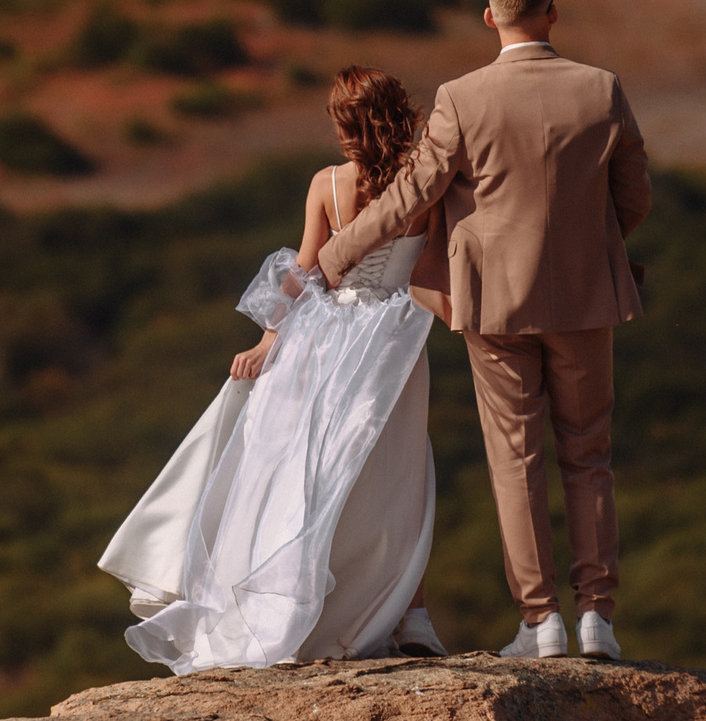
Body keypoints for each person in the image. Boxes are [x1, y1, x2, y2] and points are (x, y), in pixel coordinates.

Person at [317, 0, 650, 662]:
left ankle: (541, 622)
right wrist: (591, 250)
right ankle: (598, 617)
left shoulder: (462, 98)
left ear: (490, 17)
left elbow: (413, 195)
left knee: (515, 461)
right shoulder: (602, 89)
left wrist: (338, 251)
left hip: (494, 304)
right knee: (589, 453)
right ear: (552, 11)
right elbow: (635, 196)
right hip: (587, 298)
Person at [99, 66, 454, 673]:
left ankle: (311, 606)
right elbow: (437, 264)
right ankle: (405, 615)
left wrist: (270, 338)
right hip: (393, 338)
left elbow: (305, 272)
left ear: (348, 126)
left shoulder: (328, 184)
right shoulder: (426, 185)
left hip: (326, 336)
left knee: (304, 468)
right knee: (395, 468)